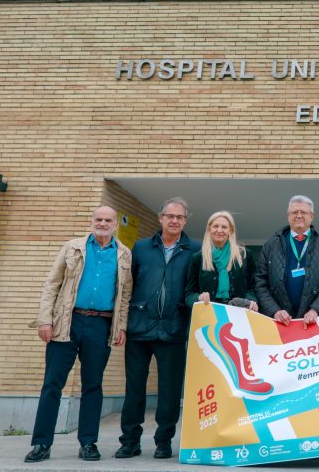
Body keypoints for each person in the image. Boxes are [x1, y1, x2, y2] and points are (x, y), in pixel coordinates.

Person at [24, 206, 132, 463]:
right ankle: (41, 443)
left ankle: (88, 443)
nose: (102, 223)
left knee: (93, 386)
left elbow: (125, 294)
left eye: (108, 220)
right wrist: (45, 320)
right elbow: (52, 283)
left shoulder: (124, 254)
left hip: (100, 326)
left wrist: (121, 326)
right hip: (67, 323)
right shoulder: (73, 247)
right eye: (98, 219)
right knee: (52, 384)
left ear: (115, 225)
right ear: (92, 221)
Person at [115, 197, 199, 460]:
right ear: (161, 218)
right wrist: (122, 324)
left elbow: (195, 288)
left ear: (186, 220)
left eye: (180, 217)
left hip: (174, 329)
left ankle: (164, 441)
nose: (174, 221)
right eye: (170, 216)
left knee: (170, 392)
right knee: (135, 389)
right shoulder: (140, 247)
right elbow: (127, 286)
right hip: (140, 328)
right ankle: (130, 441)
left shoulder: (195, 249)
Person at [253, 195, 319, 326]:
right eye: (294, 212)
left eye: (303, 212)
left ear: (312, 216)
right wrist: (275, 311)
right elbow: (260, 282)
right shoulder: (271, 245)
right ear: (288, 216)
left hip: (314, 320)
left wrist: (315, 309)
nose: (299, 215)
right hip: (278, 321)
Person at [184, 211, 258, 312]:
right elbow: (189, 294)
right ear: (209, 229)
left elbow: (253, 287)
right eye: (215, 226)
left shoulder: (244, 255)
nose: (219, 230)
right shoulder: (198, 258)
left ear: (230, 231)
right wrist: (198, 298)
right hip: (208, 315)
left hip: (239, 314)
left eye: (224, 227)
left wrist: (251, 300)